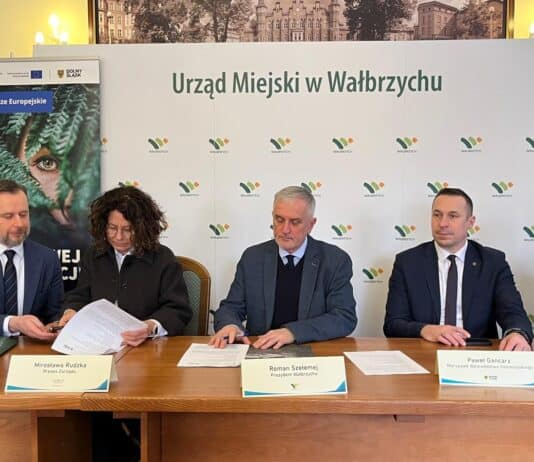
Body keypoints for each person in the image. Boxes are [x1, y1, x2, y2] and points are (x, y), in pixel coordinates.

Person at [384, 187, 532, 351]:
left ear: (470, 222)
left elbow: (513, 312)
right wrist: (426, 330)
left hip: (476, 352)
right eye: (437, 215)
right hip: (424, 349)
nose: (442, 224)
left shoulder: (492, 262)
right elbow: (393, 324)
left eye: (452, 216)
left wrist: (517, 333)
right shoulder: (407, 262)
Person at [209, 185, 357, 350]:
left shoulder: (334, 260)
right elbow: (231, 307)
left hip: (313, 351)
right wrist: (230, 325)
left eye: (295, 222)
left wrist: (293, 332)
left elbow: (344, 317)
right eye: (279, 220)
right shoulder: (253, 257)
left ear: (311, 224)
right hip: (261, 350)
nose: (285, 230)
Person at [58, 186, 191, 346]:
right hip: (99, 343)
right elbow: (79, 296)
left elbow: (177, 310)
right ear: (103, 225)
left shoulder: (163, 258)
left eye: (128, 229)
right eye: (112, 228)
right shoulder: (94, 255)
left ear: (142, 228)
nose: (119, 236)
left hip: (147, 346)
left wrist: (149, 327)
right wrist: (71, 311)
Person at [0, 179, 62, 339]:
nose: (19, 223)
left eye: (23, 214)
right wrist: (12, 323)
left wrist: (53, 327)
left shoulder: (48, 259)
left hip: (31, 351)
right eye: (8, 216)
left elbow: (55, 313)